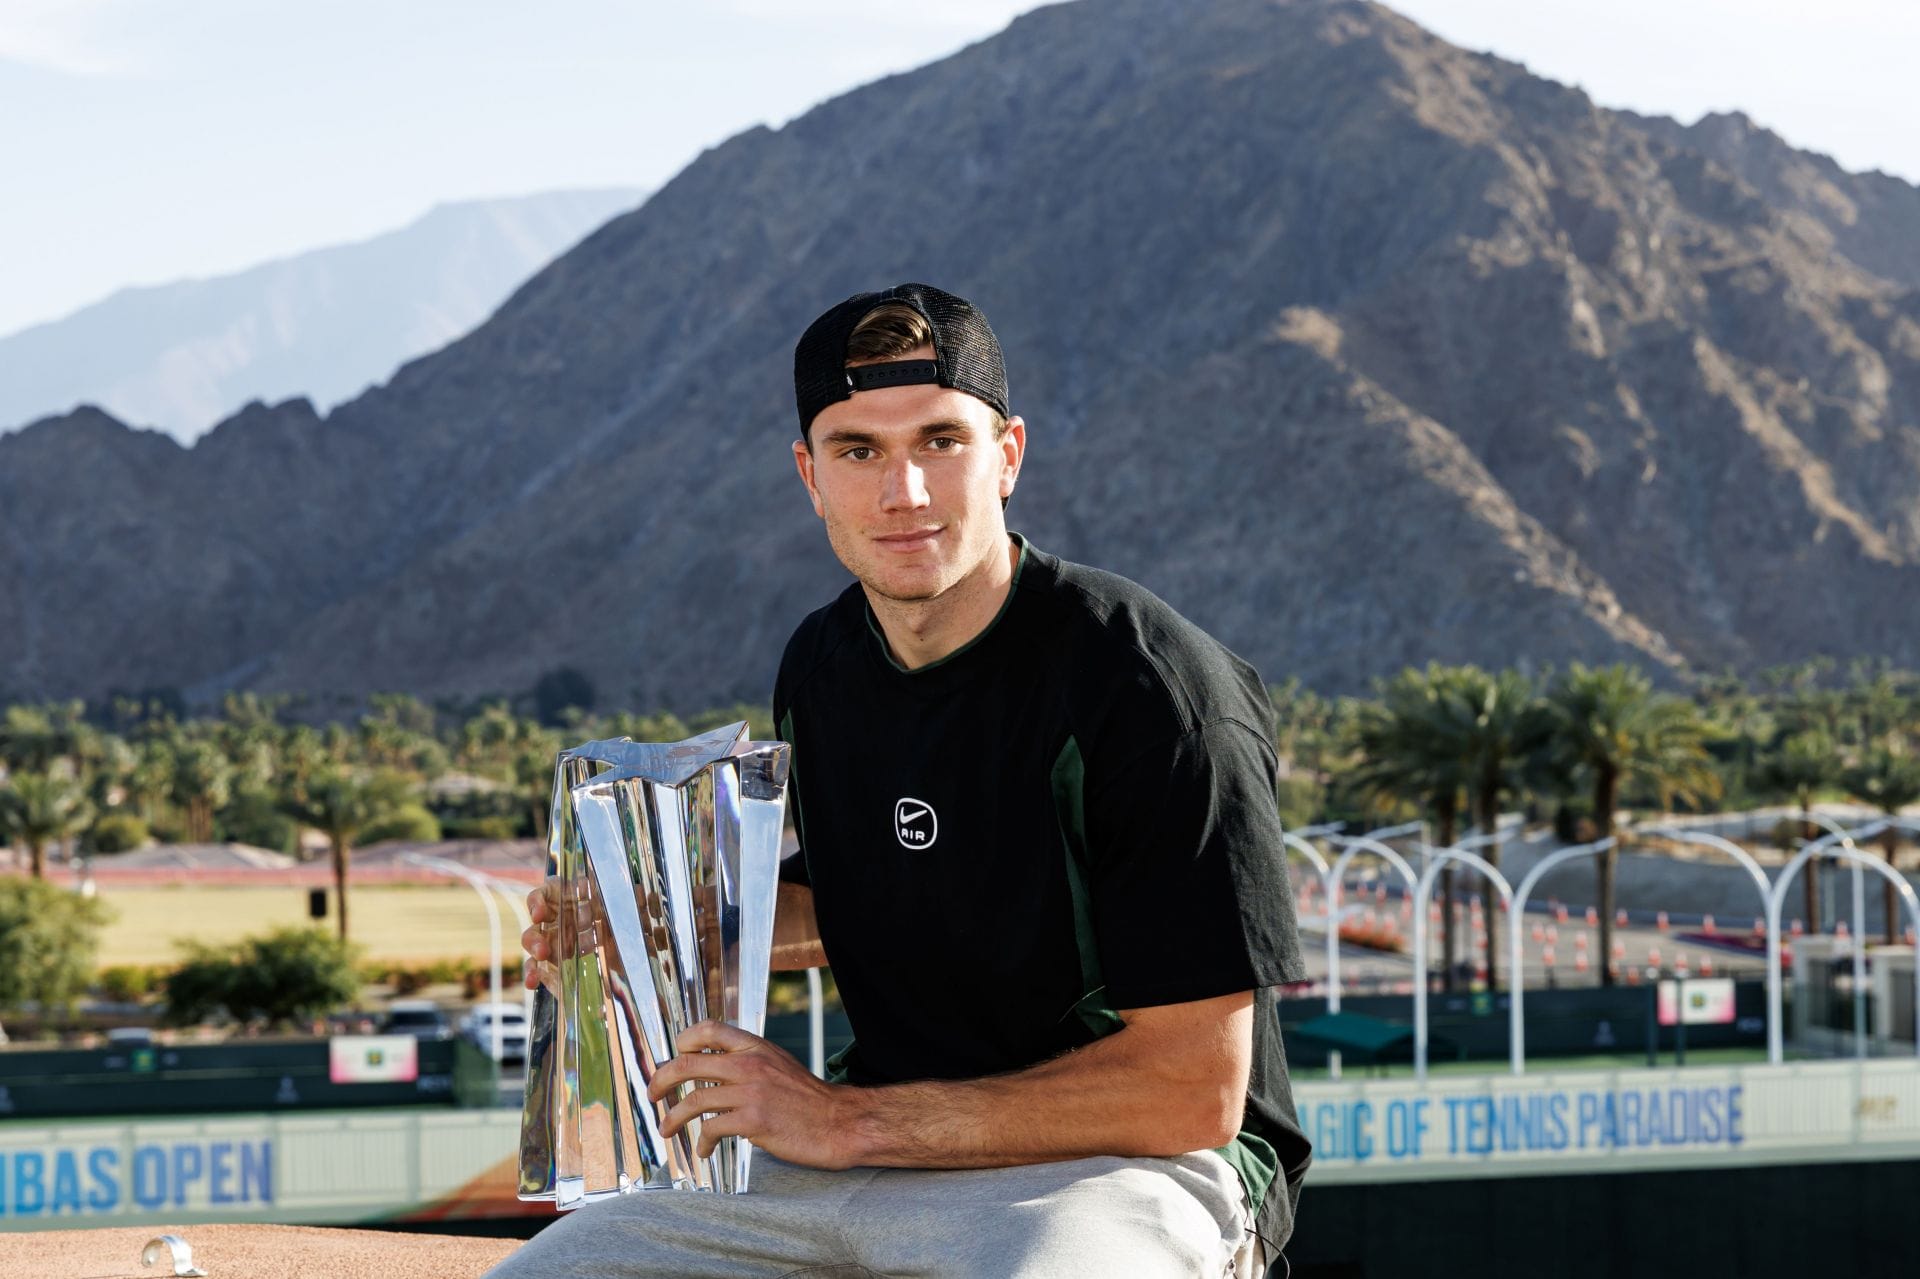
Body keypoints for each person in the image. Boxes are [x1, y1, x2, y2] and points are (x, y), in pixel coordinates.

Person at [497, 283, 1309, 1279]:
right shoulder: (823, 662)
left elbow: (1191, 1091)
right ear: (810, 474)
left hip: (1122, 1167)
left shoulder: (1150, 686)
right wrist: (649, 930)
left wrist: (845, 1119)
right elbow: (879, 897)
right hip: (864, 1154)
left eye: (939, 442)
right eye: (859, 451)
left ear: (1007, 455)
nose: (904, 493)